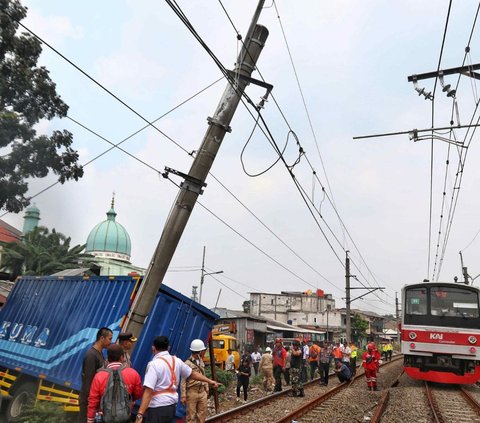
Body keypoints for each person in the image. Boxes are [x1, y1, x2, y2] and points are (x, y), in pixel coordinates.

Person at [136, 336, 220, 423]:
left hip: (157, 407)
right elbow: (193, 374)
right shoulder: (177, 361)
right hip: (171, 407)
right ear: (168, 348)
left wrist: (140, 414)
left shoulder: (153, 365)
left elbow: (148, 391)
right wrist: (210, 381)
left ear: (153, 348)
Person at [87, 344, 143, 423]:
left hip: (105, 417)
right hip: (124, 417)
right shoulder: (133, 373)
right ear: (122, 357)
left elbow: (93, 400)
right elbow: (138, 394)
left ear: (108, 358)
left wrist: (90, 419)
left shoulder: (99, 376)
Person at [78, 327, 113, 422]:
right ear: (102, 338)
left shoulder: (100, 354)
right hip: (88, 401)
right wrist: (92, 402)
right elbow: (88, 380)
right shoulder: (91, 355)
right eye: (109, 338)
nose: (111, 341)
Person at [180, 339, 208, 423]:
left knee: (202, 416)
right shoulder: (187, 363)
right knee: (191, 417)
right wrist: (183, 395)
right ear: (199, 351)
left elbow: (203, 374)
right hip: (192, 392)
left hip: (202, 391)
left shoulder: (201, 361)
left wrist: (206, 387)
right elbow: (183, 380)